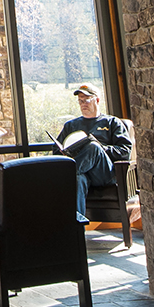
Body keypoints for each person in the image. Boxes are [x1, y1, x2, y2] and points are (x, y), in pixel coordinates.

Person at [52, 84, 132, 223]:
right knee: (78, 179)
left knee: (93, 147)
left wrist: (102, 149)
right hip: (81, 173)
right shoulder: (71, 126)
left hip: (104, 173)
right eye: (80, 101)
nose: (83, 104)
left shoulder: (112, 122)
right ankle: (77, 228)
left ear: (97, 100)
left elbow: (125, 151)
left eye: (86, 100)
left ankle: (63, 178)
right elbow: (56, 151)